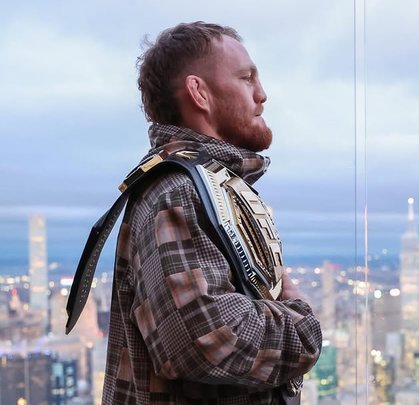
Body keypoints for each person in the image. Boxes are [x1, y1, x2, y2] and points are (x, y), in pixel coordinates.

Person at [102, 22, 322, 404]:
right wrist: (301, 324)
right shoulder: (178, 192)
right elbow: (205, 340)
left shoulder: (204, 187)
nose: (262, 94)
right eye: (246, 78)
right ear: (199, 93)